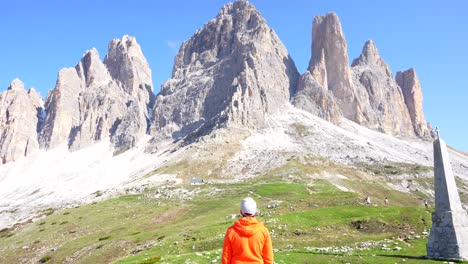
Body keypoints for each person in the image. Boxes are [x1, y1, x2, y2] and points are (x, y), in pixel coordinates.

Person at [222, 197, 273, 264]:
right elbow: (268, 258)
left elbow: (226, 257)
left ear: (241, 212)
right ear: (255, 212)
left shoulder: (231, 231)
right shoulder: (263, 231)